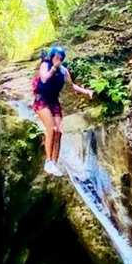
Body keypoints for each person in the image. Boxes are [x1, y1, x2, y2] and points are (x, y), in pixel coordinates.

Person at [33, 46, 93, 177]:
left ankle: (54, 162)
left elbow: (72, 86)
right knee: (51, 129)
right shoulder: (45, 65)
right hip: (42, 100)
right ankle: (48, 161)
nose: (58, 60)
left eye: (61, 59)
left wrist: (86, 91)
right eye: (56, 58)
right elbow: (44, 79)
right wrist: (53, 68)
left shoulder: (63, 71)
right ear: (52, 56)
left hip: (54, 101)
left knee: (59, 131)